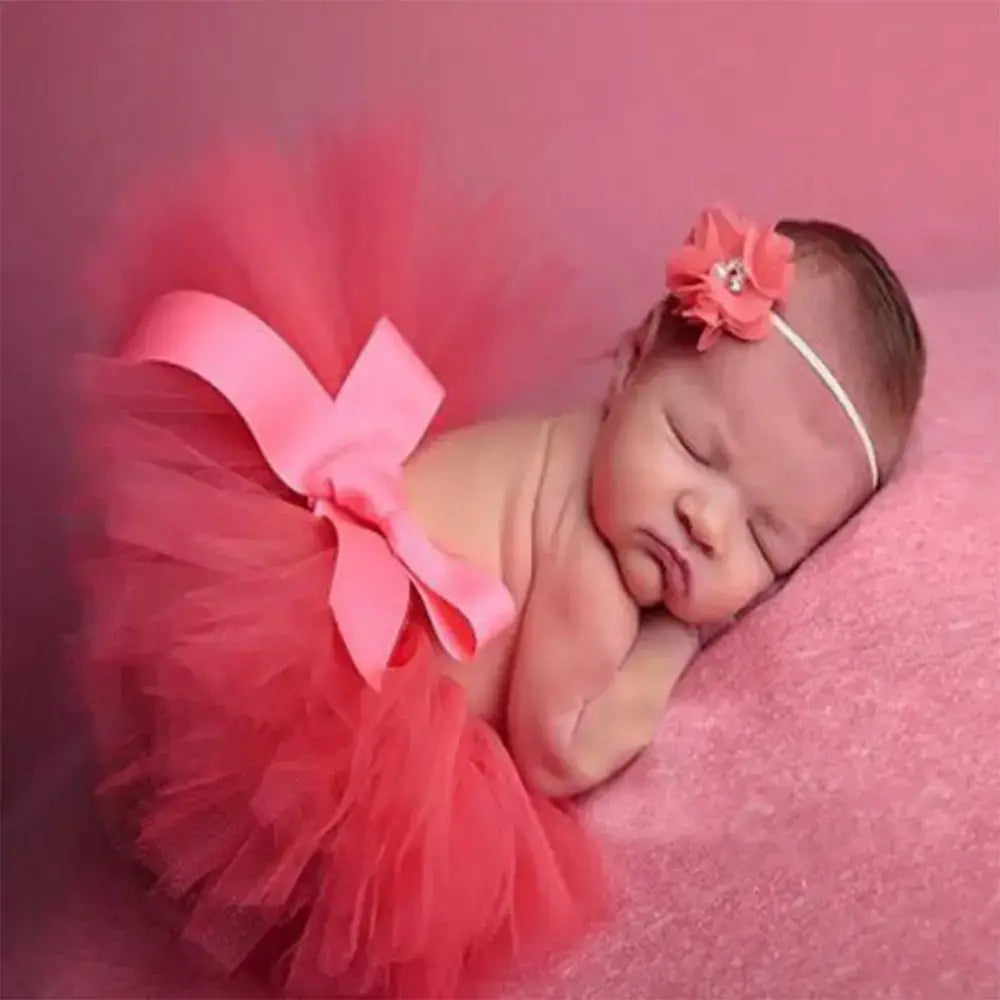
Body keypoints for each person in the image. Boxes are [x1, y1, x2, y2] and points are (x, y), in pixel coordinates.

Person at [76, 130, 925, 997]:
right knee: (288, 864)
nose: (706, 520)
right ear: (630, 364)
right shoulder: (592, 571)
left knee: (175, 789)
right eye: (694, 447)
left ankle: (142, 804)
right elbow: (559, 752)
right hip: (335, 685)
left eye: (765, 537)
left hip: (285, 609)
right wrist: (675, 644)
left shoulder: (578, 452)